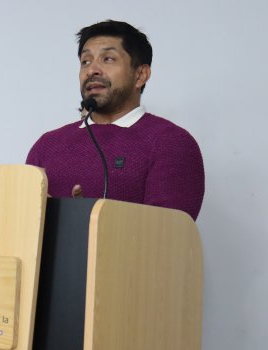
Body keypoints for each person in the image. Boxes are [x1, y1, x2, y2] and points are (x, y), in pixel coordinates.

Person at [26, 20, 204, 220]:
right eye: (85, 61)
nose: (92, 70)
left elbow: (166, 232)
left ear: (140, 75)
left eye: (108, 59)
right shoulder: (47, 145)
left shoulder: (171, 142)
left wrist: (84, 222)